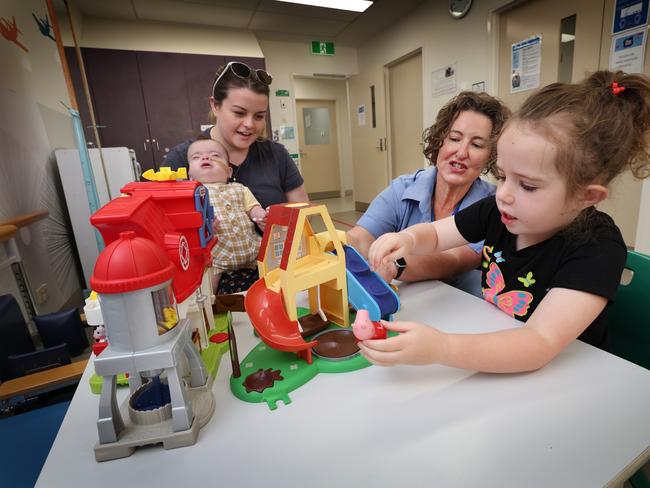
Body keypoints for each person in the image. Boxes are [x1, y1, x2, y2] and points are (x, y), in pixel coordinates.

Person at [363, 71, 650, 373]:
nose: (505, 195)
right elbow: (435, 235)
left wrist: (441, 347)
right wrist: (407, 240)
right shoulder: (498, 212)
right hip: (496, 345)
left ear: (586, 196)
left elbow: (539, 342)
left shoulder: (598, 248)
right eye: (501, 176)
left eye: (527, 185)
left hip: (568, 375)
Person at [346, 91, 511, 297]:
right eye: (454, 138)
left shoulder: (493, 206)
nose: (461, 152)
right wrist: (337, 247)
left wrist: (395, 265)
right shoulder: (403, 189)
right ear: (440, 139)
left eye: (477, 145)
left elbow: (454, 261)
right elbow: (360, 238)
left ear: (492, 156)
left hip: (461, 306)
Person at [165, 61, 309, 293]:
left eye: (259, 116)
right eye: (239, 113)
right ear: (215, 105)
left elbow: (303, 215)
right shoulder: (183, 159)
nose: (250, 125)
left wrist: (275, 220)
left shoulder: (276, 155)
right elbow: (161, 230)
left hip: (270, 276)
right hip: (206, 279)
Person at [187, 136, 266, 292]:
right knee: (207, 288)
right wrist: (204, 227)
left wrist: (261, 216)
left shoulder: (240, 189)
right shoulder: (193, 195)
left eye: (215, 155)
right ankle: (210, 308)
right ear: (190, 175)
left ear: (229, 171)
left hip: (253, 253)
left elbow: (253, 208)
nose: (206, 157)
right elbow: (189, 225)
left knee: (270, 277)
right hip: (215, 260)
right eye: (196, 157)